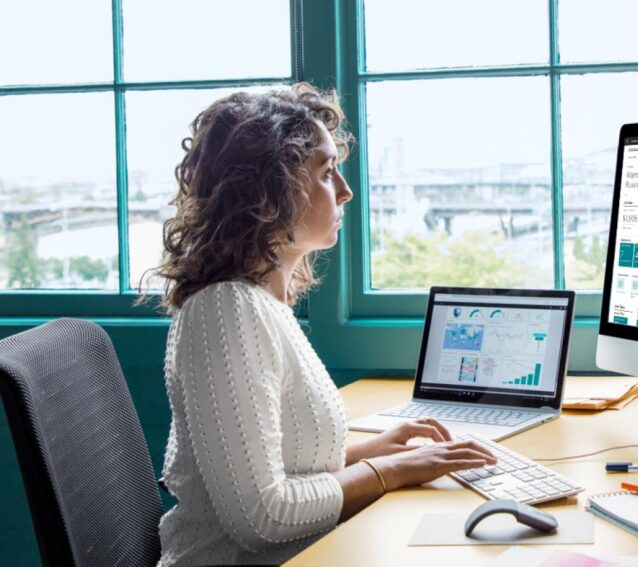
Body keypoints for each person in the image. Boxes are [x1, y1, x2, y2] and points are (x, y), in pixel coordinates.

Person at [152, 83, 497, 566]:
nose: (345, 190)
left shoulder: (261, 304)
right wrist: (391, 470)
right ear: (267, 196)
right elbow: (261, 518)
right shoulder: (225, 311)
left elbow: (284, 466)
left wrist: (376, 451)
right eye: (326, 172)